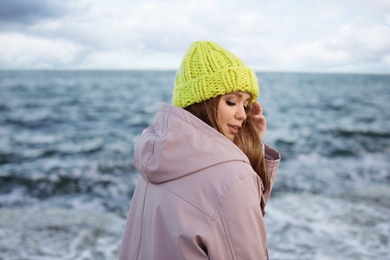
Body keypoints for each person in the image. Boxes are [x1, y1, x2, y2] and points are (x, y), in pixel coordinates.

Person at [119, 41, 281, 260]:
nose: (243, 115)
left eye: (246, 105)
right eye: (231, 101)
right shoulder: (233, 179)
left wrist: (250, 147)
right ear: (201, 102)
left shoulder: (156, 159)